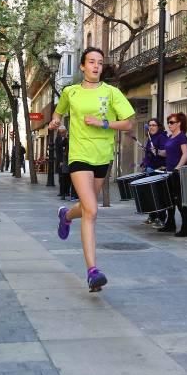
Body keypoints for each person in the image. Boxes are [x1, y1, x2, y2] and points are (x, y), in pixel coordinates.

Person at [50, 47, 135, 291]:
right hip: (79, 156)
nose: (96, 66)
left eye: (100, 62)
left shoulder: (112, 92)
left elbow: (129, 123)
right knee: (92, 211)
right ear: (82, 67)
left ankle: (65, 215)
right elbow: (58, 113)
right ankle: (92, 271)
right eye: (91, 62)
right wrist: (56, 122)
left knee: (87, 207)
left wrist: (103, 122)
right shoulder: (71, 92)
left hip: (102, 157)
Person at [157, 112, 187, 238]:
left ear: (179, 123)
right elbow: (167, 153)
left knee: (179, 200)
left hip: (176, 173)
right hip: (169, 171)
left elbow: (185, 154)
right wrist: (156, 151)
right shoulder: (171, 137)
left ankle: (186, 227)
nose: (169, 125)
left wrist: (177, 168)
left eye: (172, 122)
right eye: (168, 122)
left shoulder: (181, 137)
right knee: (170, 199)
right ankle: (170, 224)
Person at [140, 118, 166, 227]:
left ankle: (161, 218)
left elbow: (165, 153)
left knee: (159, 194)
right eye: (150, 125)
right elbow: (148, 154)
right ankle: (152, 216)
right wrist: (144, 163)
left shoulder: (162, 138)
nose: (151, 127)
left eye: (154, 125)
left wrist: (157, 152)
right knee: (150, 194)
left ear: (158, 126)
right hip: (150, 169)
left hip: (159, 169)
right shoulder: (150, 138)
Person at [55, 126, 71, 199]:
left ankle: (67, 191)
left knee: (68, 177)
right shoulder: (57, 139)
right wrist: (60, 161)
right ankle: (61, 192)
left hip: (68, 160)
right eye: (61, 132)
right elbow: (58, 151)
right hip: (61, 160)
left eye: (63, 132)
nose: (62, 134)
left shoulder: (68, 138)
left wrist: (66, 139)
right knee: (61, 177)